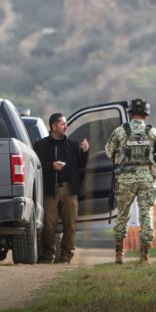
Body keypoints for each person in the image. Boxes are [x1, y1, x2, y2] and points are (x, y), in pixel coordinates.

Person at [104, 99, 156, 265]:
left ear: (130, 113)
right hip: (147, 178)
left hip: (126, 178)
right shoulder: (153, 132)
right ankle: (144, 256)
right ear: (146, 114)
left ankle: (119, 255)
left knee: (122, 216)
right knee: (146, 216)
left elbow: (109, 152)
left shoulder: (120, 131)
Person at [33, 113, 89, 263]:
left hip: (69, 191)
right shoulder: (40, 145)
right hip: (49, 191)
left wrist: (85, 152)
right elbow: (36, 166)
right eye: (63, 124)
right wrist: (51, 166)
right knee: (48, 225)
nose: (66, 126)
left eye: (66, 124)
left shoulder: (73, 144)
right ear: (53, 126)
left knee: (70, 225)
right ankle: (47, 254)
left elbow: (82, 166)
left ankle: (66, 256)